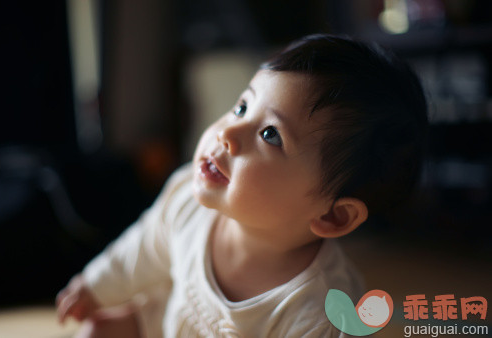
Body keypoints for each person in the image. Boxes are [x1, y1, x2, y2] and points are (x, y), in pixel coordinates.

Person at [56, 34, 428, 337]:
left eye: (270, 135)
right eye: (241, 107)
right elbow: (142, 249)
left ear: (332, 215)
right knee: (97, 331)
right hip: (166, 323)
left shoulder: (320, 313)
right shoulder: (187, 197)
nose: (228, 133)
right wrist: (94, 286)